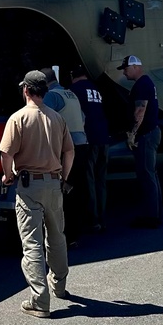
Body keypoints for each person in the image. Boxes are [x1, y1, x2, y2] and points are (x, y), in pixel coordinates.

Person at [0, 70, 74, 319]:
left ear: (26, 91)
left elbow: (6, 154)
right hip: (54, 184)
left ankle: (40, 301)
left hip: (29, 186)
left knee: (32, 243)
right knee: (57, 237)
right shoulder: (57, 118)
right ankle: (59, 285)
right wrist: (63, 177)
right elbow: (69, 152)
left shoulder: (18, 118)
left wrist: (7, 175)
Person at [40, 66, 89, 240]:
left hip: (66, 149)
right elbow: (82, 118)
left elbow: (41, 119)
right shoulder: (70, 94)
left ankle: (65, 235)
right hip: (82, 145)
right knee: (75, 188)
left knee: (61, 191)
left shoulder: (51, 96)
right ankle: (77, 231)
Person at [120, 54, 162, 228]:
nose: (124, 72)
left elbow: (140, 110)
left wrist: (132, 134)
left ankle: (151, 217)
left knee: (146, 175)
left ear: (136, 67)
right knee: (150, 174)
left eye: (126, 68)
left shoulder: (142, 85)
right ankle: (155, 212)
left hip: (146, 134)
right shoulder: (146, 83)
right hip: (152, 132)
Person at [70, 64, 110, 232]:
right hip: (104, 137)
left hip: (90, 138)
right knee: (101, 180)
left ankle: (93, 219)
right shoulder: (96, 89)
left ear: (73, 76)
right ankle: (102, 216)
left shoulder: (74, 90)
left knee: (89, 180)